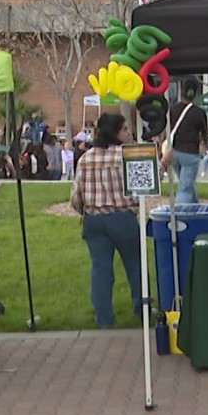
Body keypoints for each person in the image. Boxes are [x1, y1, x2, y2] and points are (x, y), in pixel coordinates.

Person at [69, 113, 143, 329]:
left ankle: (104, 319)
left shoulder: (85, 158)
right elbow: (147, 182)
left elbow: (76, 196)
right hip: (122, 217)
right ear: (115, 133)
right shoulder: (126, 156)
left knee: (100, 270)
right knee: (135, 266)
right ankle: (141, 310)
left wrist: (84, 211)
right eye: (125, 130)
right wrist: (165, 164)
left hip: (94, 220)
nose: (129, 134)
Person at [167, 77, 208, 204]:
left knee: (186, 183)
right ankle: (181, 211)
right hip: (190, 153)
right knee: (185, 188)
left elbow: (166, 129)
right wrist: (205, 146)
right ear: (195, 93)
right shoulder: (199, 113)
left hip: (173, 152)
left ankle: (195, 207)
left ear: (181, 91)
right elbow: (204, 132)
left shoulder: (172, 110)